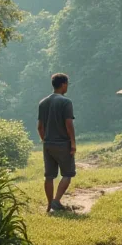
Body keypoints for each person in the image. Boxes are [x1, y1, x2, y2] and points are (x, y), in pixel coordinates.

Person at [37, 73, 76, 212]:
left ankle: (49, 205)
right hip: (62, 144)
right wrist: (73, 143)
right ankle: (56, 201)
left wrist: (45, 140)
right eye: (67, 84)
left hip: (47, 144)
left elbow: (40, 127)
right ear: (64, 84)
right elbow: (69, 124)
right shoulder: (66, 102)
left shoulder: (43, 103)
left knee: (49, 176)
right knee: (67, 173)